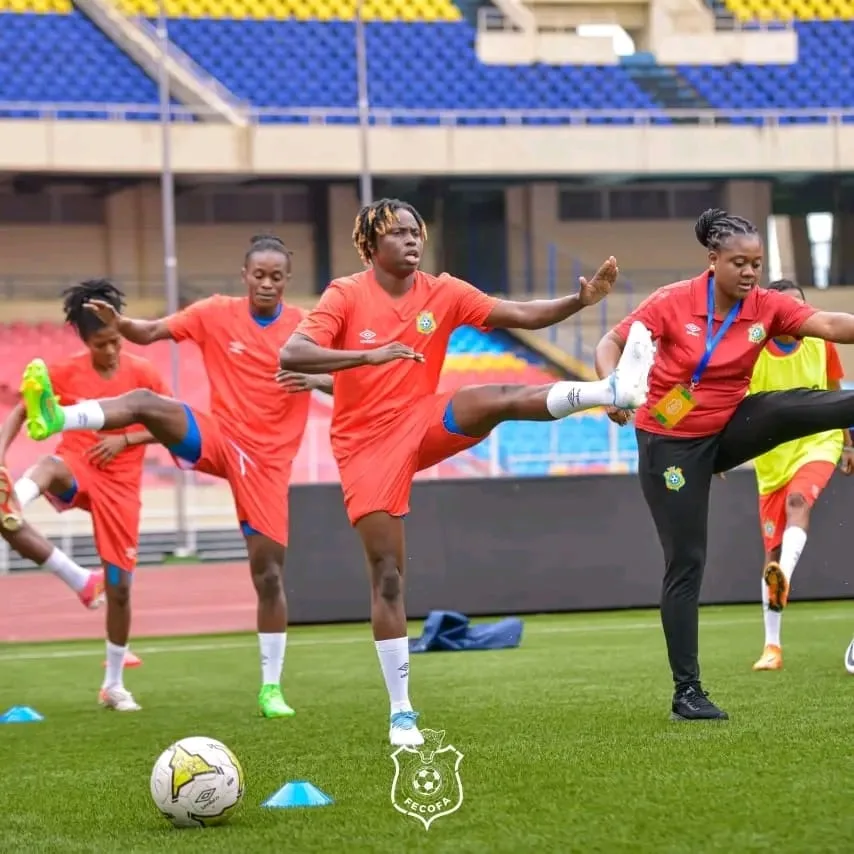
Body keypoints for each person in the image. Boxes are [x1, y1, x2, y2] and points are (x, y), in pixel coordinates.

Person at [277, 197, 656, 747]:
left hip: (419, 420)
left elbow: (521, 315)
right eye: (398, 233)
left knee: (491, 398)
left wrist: (580, 299)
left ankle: (608, 391)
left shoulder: (444, 291)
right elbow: (293, 353)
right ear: (370, 244)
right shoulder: (345, 294)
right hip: (363, 446)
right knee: (387, 576)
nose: (412, 241)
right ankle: (401, 711)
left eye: (416, 232)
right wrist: (368, 356)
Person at [19, 234, 332, 720]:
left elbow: (347, 378)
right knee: (147, 404)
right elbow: (148, 333)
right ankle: (59, 419)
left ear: (287, 280)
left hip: (268, 464)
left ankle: (271, 687)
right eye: (259, 275)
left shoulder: (305, 329)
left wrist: (315, 379)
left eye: (276, 276)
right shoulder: (213, 312)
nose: (266, 283)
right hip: (219, 436)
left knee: (268, 575)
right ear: (244, 275)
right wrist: (122, 323)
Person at [594, 207, 854, 722]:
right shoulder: (671, 302)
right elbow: (611, 343)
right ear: (713, 261)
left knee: (783, 405)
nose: (751, 272)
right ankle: (686, 692)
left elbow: (828, 323)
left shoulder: (765, 306)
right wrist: (611, 388)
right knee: (686, 562)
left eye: (757, 262)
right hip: (671, 447)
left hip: (729, 427)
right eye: (740, 262)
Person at [2, 279, 169, 711]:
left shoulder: (145, 375)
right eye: (101, 344)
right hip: (78, 462)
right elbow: (22, 409)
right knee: (47, 469)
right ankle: (13, 497)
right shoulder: (63, 372)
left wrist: (126, 442)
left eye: (114, 341)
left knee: (120, 589)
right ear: (84, 339)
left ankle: (113, 685)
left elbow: (171, 423)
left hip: (123, 484)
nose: (111, 351)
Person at [745, 279, 854, 672]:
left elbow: (834, 390)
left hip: (817, 442)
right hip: (771, 457)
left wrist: (848, 442)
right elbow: (726, 401)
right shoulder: (752, 350)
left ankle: (784, 575)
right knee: (770, 552)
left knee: (798, 503)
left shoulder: (822, 341)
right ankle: (772, 647)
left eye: (801, 309)